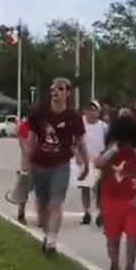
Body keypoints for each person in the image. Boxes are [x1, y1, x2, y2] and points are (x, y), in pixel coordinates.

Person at [24, 78, 88, 255]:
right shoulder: (39, 113)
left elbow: (81, 142)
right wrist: (26, 165)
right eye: (53, 89)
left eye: (60, 89)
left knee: (56, 203)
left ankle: (52, 239)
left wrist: (86, 164)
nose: (55, 92)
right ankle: (47, 234)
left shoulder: (73, 116)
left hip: (60, 165)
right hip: (39, 164)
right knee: (42, 206)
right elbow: (31, 140)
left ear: (67, 93)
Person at [94, 114, 136, 270]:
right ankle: (115, 266)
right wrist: (113, 149)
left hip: (132, 199)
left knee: (133, 234)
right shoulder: (111, 151)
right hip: (110, 199)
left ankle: (130, 268)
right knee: (113, 237)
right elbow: (98, 163)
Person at [78, 101, 108, 226]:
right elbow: (76, 143)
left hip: (98, 161)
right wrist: (78, 157)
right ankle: (87, 212)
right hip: (84, 160)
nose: (90, 112)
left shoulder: (103, 127)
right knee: (85, 188)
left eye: (93, 110)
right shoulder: (81, 126)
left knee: (99, 188)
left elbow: (108, 143)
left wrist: (104, 157)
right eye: (88, 109)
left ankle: (100, 212)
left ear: (98, 113)